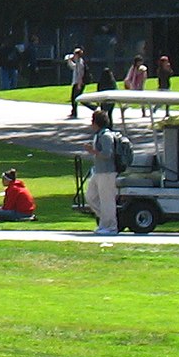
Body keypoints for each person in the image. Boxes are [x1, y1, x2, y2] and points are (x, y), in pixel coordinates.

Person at [84, 106, 122, 235]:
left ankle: (111, 227)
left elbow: (107, 154)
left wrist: (93, 151)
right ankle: (106, 221)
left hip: (107, 172)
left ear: (96, 123)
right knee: (91, 197)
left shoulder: (106, 136)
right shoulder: (99, 135)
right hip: (99, 171)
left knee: (107, 200)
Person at [65, 46, 88, 116]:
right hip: (76, 82)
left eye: (75, 54)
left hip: (78, 83)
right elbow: (73, 67)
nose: (73, 55)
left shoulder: (80, 63)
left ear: (77, 55)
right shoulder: (78, 62)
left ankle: (93, 107)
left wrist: (79, 85)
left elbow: (81, 74)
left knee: (77, 98)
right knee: (75, 98)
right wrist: (69, 61)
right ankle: (74, 112)